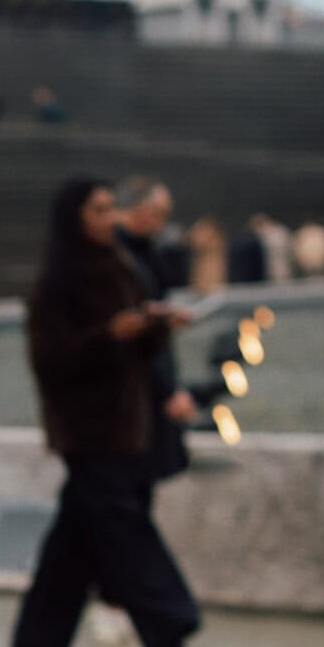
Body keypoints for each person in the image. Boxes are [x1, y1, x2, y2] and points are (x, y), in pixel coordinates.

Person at [10, 177, 208, 647]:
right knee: (125, 530)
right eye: (98, 210)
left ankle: (38, 637)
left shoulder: (121, 267)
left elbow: (136, 351)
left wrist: (153, 325)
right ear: (74, 218)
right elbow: (51, 361)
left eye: (109, 208)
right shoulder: (56, 283)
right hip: (87, 429)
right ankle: (171, 636)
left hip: (126, 424)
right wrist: (111, 336)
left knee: (76, 537)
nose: (109, 218)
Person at [114, 176, 197, 483]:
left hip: (143, 396)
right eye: (159, 213)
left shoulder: (147, 252)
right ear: (138, 209)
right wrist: (167, 390)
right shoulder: (117, 259)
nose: (162, 223)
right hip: (131, 399)